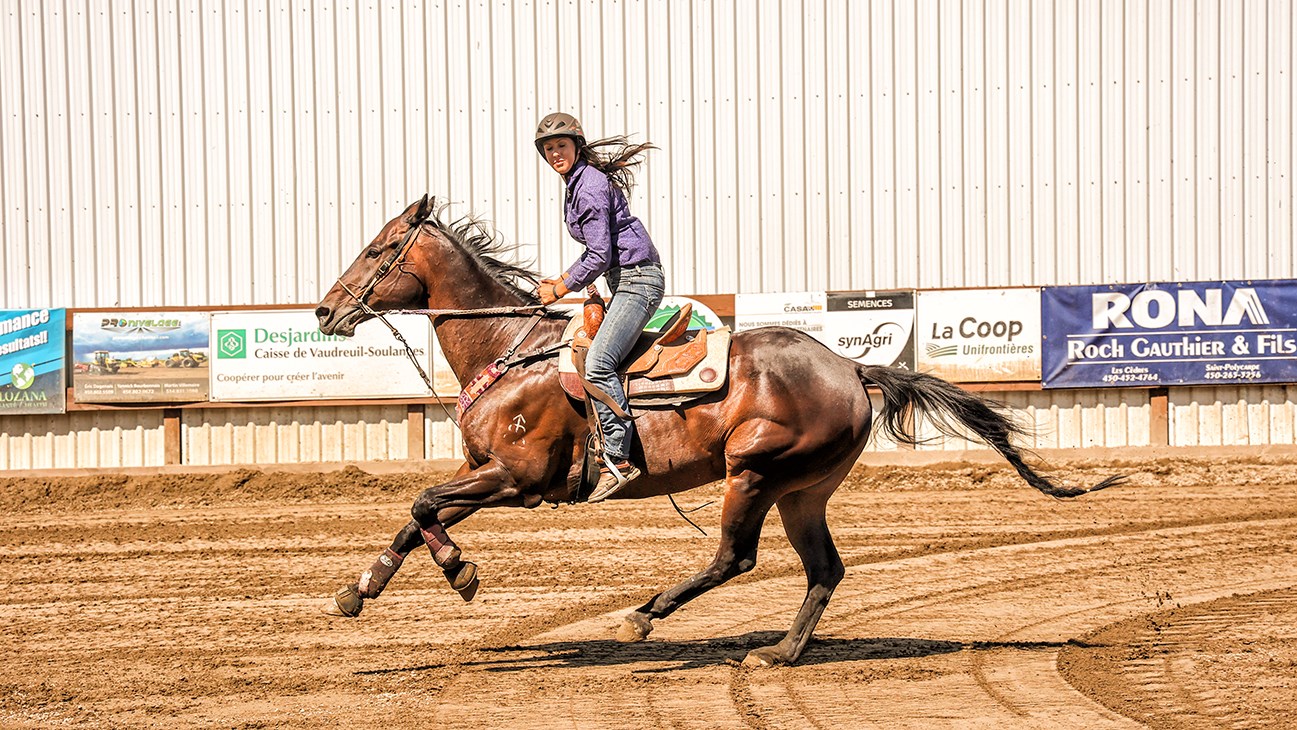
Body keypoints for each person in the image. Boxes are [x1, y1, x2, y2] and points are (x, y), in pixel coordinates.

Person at [533, 112, 665, 503]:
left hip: (637, 282)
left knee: (598, 362)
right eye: (548, 148)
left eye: (561, 145)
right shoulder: (579, 182)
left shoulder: (587, 187)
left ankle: (618, 461)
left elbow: (599, 252)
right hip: (624, 280)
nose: (555, 153)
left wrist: (560, 286)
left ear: (576, 145)